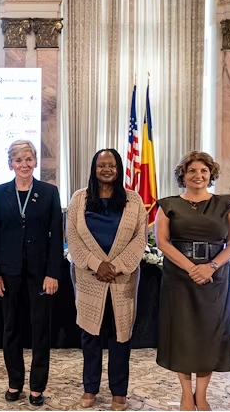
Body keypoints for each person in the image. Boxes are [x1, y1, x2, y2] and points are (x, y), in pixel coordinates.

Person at [155, 151, 230, 411]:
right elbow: (162, 243)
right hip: (179, 278)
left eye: (204, 170)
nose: (198, 175)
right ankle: (185, 395)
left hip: (215, 278)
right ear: (183, 175)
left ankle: (201, 395)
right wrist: (192, 268)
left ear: (211, 174)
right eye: (192, 170)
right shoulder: (167, 205)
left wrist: (210, 267)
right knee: (182, 335)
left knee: (209, 335)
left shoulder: (226, 205)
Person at [67, 149, 148, 411]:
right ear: (94, 168)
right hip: (89, 278)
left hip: (122, 281)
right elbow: (73, 238)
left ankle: (119, 392)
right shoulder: (79, 199)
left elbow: (140, 238)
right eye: (101, 165)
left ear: (119, 168)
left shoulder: (134, 200)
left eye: (111, 165)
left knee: (120, 336)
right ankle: (90, 388)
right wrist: (97, 265)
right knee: (90, 336)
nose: (106, 169)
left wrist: (116, 266)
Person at [0, 140, 62, 406]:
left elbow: (57, 237)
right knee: (10, 328)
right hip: (9, 273)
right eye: (18, 160)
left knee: (40, 329)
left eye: (29, 159)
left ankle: (37, 386)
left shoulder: (49, 193)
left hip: (41, 273)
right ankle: (15, 382)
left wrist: (53, 273)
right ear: (10, 164)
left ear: (35, 161)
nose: (24, 165)